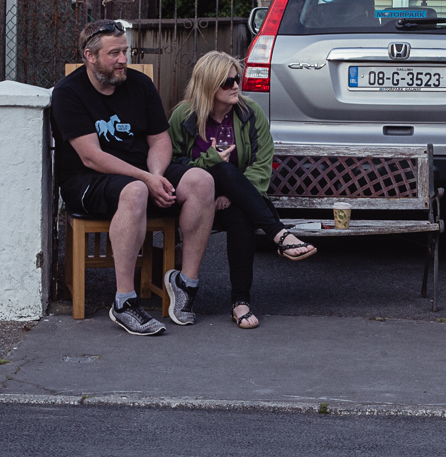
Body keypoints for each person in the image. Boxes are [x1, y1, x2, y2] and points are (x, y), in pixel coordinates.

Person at [49, 20, 218, 335]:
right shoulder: (68, 93)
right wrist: (146, 179)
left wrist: (156, 174)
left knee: (200, 182)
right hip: (86, 180)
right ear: (90, 56)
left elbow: (160, 140)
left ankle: (185, 284)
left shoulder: (140, 85)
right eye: (114, 53)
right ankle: (124, 301)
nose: (123, 59)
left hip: (142, 171)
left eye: (125, 51)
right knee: (136, 191)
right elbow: (91, 156)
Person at [164, 50, 316, 329]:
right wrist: (210, 166)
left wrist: (230, 193)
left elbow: (261, 166)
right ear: (208, 85)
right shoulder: (183, 117)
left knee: (241, 214)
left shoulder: (250, 114)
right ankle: (279, 234)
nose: (235, 86)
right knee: (220, 169)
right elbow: (172, 166)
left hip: (235, 202)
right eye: (226, 82)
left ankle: (240, 302)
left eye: (237, 79)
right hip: (194, 205)